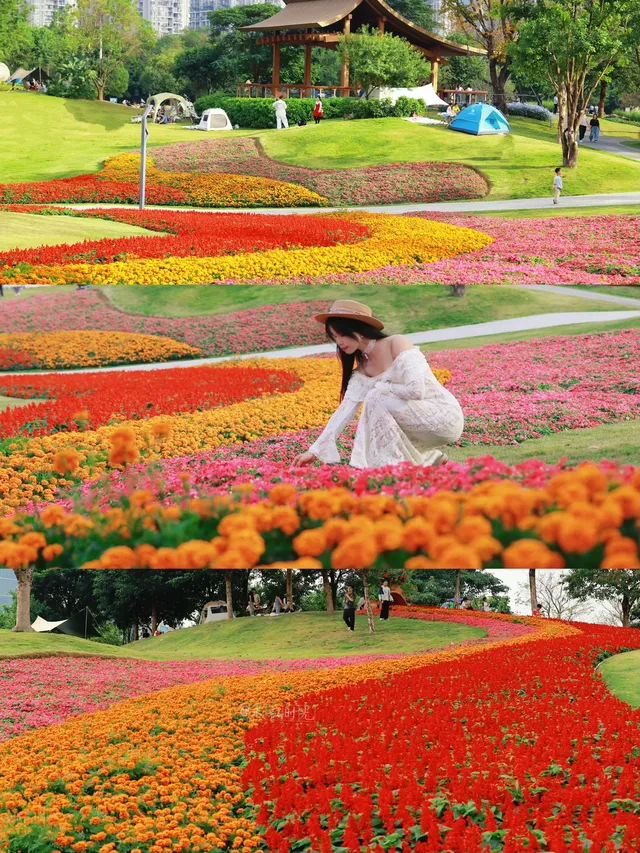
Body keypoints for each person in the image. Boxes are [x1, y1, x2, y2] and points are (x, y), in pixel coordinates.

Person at [292, 300, 464, 469]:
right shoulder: (361, 372)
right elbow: (343, 413)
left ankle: (389, 468)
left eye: (342, 334)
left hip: (444, 417)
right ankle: (423, 461)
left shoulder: (396, 344)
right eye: (335, 337)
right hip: (417, 425)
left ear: (358, 329)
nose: (339, 342)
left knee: (376, 396)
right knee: (376, 397)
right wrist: (314, 451)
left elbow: (417, 391)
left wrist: (384, 387)